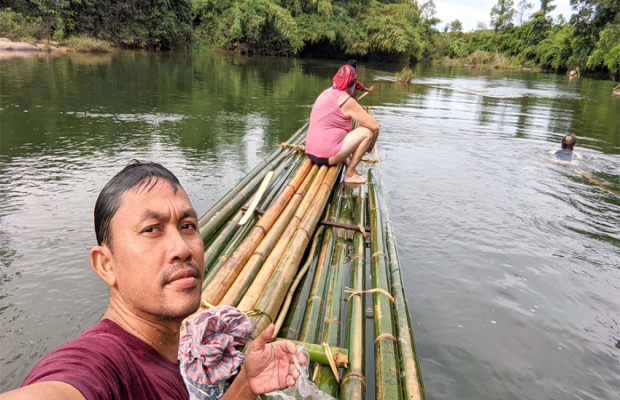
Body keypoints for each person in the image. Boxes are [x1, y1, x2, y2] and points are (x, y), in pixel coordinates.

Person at [1, 161, 304, 400]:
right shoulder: (102, 365)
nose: (183, 248)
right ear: (106, 264)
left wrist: (246, 385)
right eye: (151, 229)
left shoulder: (161, 353)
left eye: (187, 225)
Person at [305, 64, 380, 184]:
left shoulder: (327, 92)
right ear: (352, 84)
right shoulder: (346, 100)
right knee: (368, 133)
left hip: (310, 151)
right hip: (325, 156)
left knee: (342, 130)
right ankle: (349, 175)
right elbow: (375, 126)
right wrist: (370, 146)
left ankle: (351, 167)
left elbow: (339, 134)